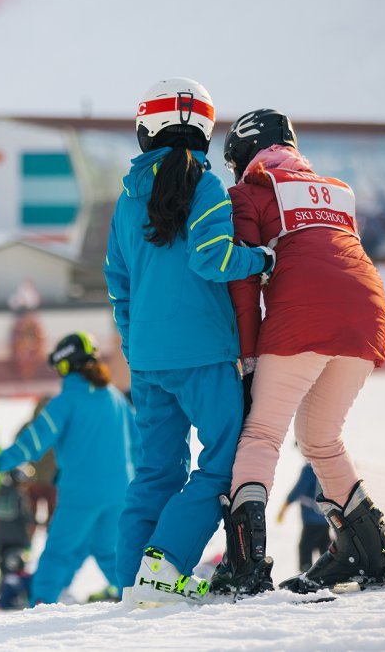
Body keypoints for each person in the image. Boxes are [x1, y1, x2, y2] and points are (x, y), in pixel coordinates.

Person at [218, 109, 385, 594]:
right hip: (367, 313)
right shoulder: (337, 188)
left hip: (303, 314)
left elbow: (244, 286)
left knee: (262, 433)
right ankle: (366, 551)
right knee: (320, 438)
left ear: (244, 151)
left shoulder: (250, 191)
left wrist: (248, 361)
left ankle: (245, 566)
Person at [104, 78, 276, 604]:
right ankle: (166, 564)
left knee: (156, 469)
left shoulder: (126, 199)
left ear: (147, 129)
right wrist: (263, 260)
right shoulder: (205, 186)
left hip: (150, 361)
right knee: (222, 465)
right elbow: (213, 258)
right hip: (204, 354)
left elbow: (119, 285)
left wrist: (137, 349)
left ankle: (134, 581)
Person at [0, 332, 136, 605]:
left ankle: (41, 605)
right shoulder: (116, 399)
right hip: (120, 491)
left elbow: (35, 439)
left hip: (80, 492)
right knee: (108, 550)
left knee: (58, 552)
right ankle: (136, 597)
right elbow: (139, 443)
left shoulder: (66, 401)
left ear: (66, 365)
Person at [277, 462, 331, 572]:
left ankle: (306, 573)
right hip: (326, 516)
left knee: (305, 547)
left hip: (312, 517)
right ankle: (330, 571)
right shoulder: (327, 467)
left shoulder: (310, 469)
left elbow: (299, 489)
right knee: (324, 546)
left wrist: (285, 505)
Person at [21, 397, 57, 527]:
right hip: (53, 481)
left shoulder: (28, 427)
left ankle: (28, 543)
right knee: (54, 520)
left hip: (32, 479)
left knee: (29, 518)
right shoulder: (58, 428)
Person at [0, 468, 34, 572]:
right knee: (17, 569)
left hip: (1, 537)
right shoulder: (19, 496)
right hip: (18, 539)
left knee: (2, 568)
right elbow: (26, 517)